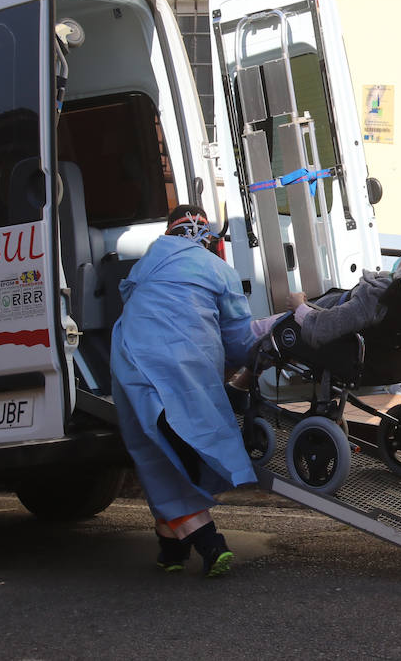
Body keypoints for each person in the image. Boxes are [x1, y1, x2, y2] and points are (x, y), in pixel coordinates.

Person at [110, 205, 258, 577]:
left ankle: (171, 552)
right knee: (167, 456)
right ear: (206, 235)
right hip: (185, 376)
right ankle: (211, 544)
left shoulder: (146, 264)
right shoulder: (217, 269)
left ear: (168, 231)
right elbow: (241, 340)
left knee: (155, 451)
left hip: (136, 366)